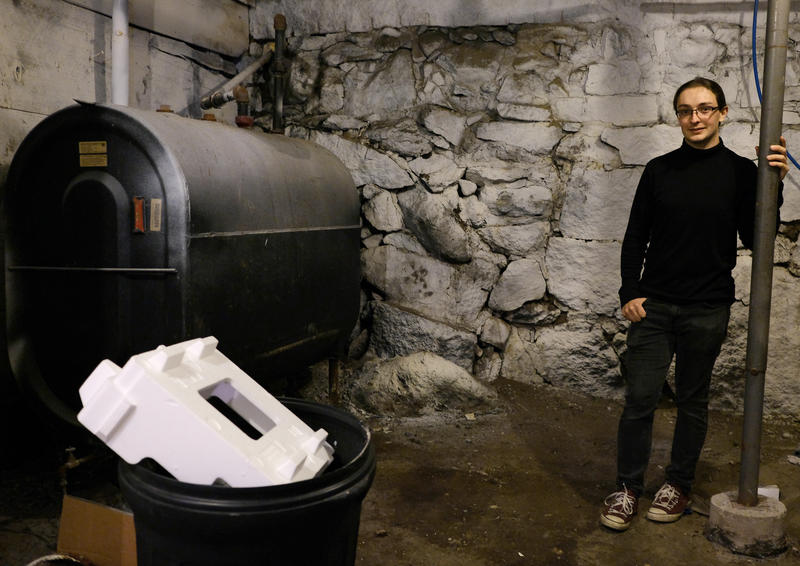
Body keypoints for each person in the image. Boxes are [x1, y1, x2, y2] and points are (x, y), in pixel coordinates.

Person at [600, 77, 790, 531]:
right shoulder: (659, 170)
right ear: (678, 117)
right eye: (686, 110)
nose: (695, 118)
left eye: (705, 109)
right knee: (640, 399)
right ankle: (628, 489)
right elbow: (635, 238)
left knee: (692, 399)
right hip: (655, 307)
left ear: (723, 113)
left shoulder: (743, 172)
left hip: (707, 308)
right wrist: (630, 292)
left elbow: (755, 237)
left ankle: (679, 483)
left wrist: (775, 186)